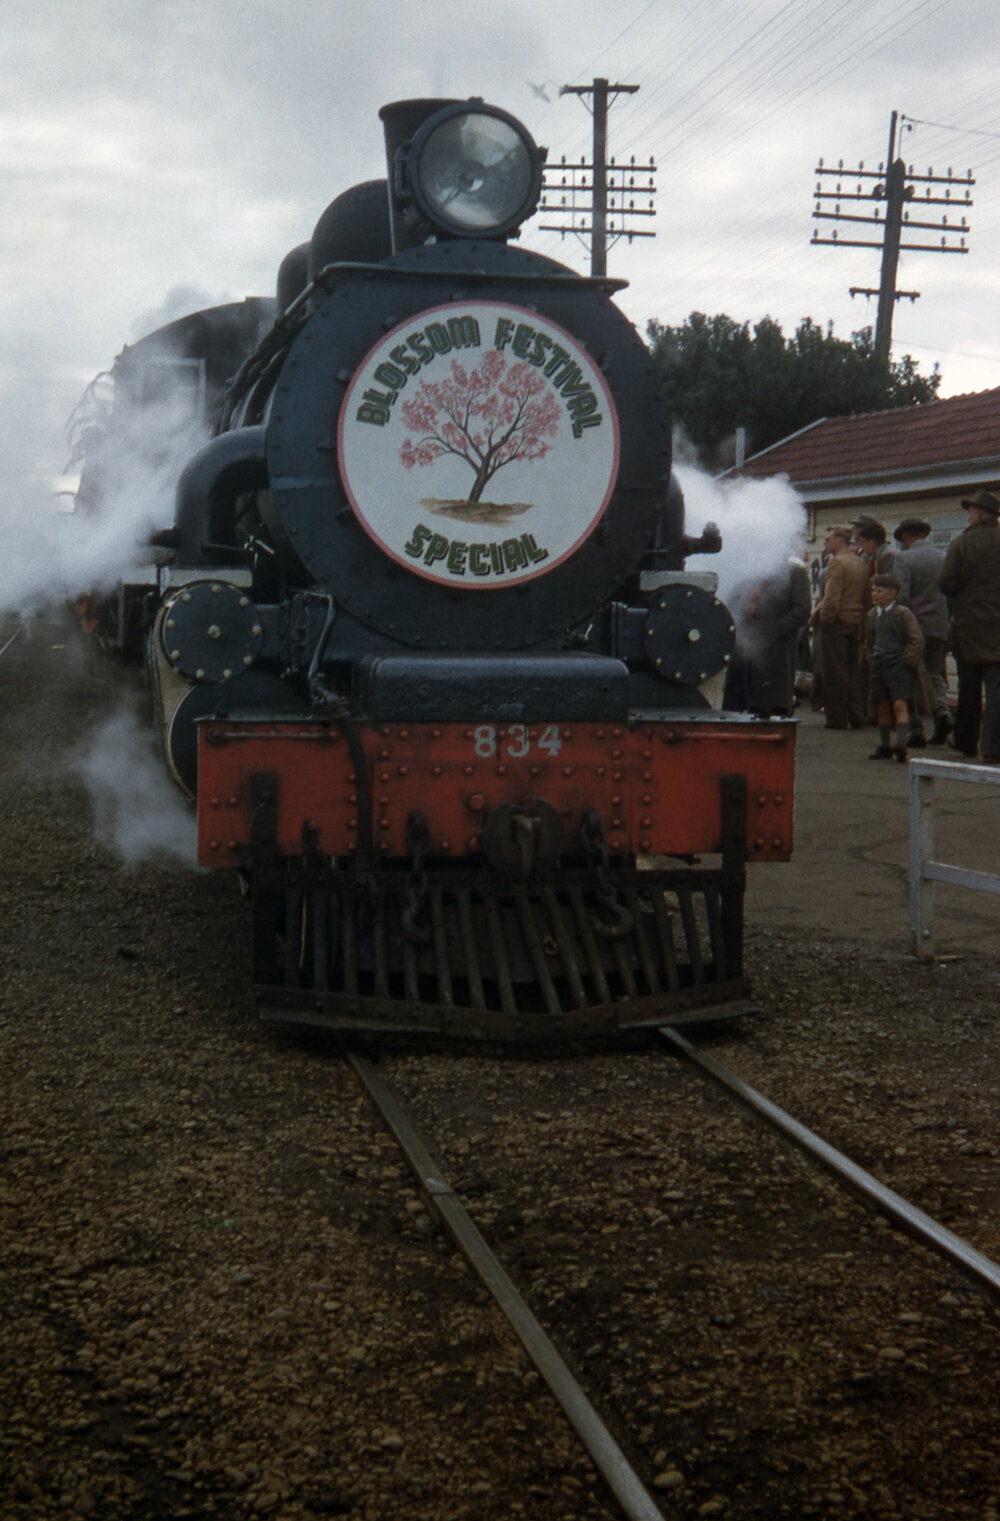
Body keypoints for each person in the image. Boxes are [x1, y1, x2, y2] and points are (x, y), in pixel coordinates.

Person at [939, 488, 1000, 762]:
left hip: (968, 625)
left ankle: (965, 740)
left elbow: (946, 583)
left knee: (969, 687)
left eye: (969, 512)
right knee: (997, 689)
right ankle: (993, 747)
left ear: (977, 514)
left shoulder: (963, 544)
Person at [892, 517, 952, 745]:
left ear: (906, 536)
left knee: (911, 676)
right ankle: (943, 714)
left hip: (915, 626)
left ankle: (916, 729)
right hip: (939, 625)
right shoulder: (943, 557)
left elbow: (902, 596)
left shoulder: (904, 559)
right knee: (935, 674)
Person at [728, 557, 811, 716]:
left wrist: (776, 629)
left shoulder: (795, 573)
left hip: (777, 646)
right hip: (746, 643)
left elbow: (802, 610)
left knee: (773, 701)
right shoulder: (751, 573)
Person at [810, 524, 870, 729]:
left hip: (837, 623)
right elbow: (866, 597)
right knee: (854, 672)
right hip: (856, 621)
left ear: (840, 541)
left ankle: (837, 719)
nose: (825, 543)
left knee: (834, 673)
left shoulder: (837, 563)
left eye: (828, 539)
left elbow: (831, 597)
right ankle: (856, 715)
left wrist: (823, 620)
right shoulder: (860, 563)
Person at [865, 573, 925, 763]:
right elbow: (869, 641)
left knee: (900, 704)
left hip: (897, 665)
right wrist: (870, 657)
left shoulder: (902, 614)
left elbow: (915, 639)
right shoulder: (872, 615)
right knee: (882, 705)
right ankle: (885, 745)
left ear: (893, 594)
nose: (874, 594)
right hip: (879, 664)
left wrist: (906, 660)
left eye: (879, 591)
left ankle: (900, 743)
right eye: (873, 590)